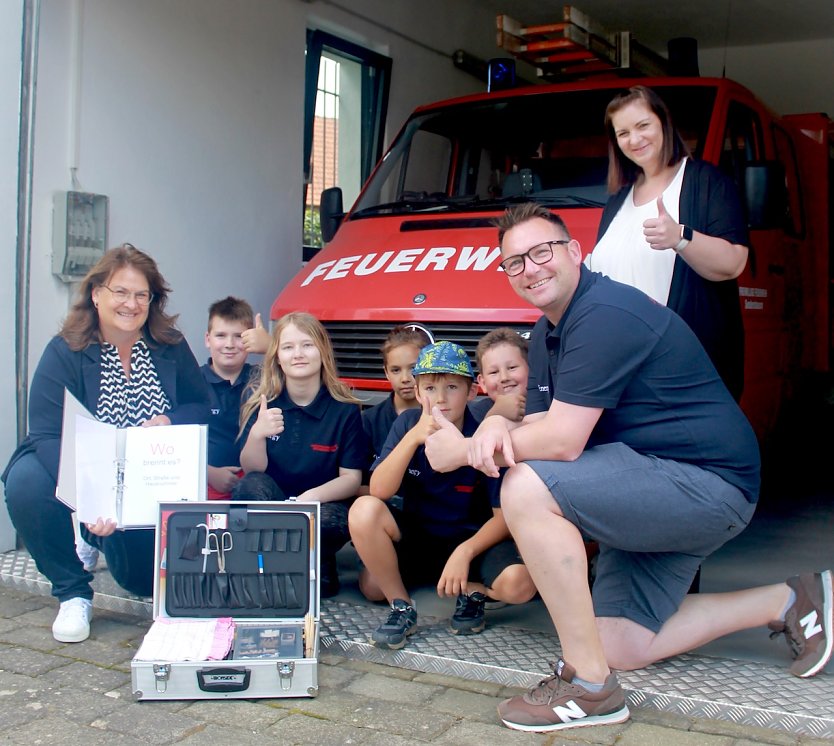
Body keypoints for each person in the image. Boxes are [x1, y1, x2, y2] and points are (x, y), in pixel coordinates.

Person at [424, 203, 832, 733]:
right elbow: (543, 426)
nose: (530, 268)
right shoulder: (547, 334)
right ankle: (791, 598)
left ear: (574, 252)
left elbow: (564, 443)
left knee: (525, 485)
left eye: (540, 252)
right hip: (649, 484)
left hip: (704, 483)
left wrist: (462, 450)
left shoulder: (603, 312)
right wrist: (497, 428)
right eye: (514, 262)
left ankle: (590, 688)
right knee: (619, 643)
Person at [2, 244, 209, 643]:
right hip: (86, 469)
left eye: (141, 295)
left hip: (146, 482)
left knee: (139, 580)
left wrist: (169, 419)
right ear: (97, 294)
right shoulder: (66, 350)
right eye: (121, 292)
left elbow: (201, 406)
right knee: (25, 482)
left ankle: (97, 537)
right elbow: (44, 433)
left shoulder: (169, 345)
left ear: (152, 300)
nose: (131, 304)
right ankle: (73, 591)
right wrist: (86, 498)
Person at [348, 341, 536, 650]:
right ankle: (403, 607)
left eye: (452, 387)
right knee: (371, 578)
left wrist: (465, 552)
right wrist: (413, 438)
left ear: (472, 392)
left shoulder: (483, 432)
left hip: (472, 539)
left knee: (519, 585)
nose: (441, 399)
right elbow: (380, 490)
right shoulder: (407, 423)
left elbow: (503, 518)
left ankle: (472, 591)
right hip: (420, 535)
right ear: (419, 393)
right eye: (431, 388)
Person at [586, 85, 748, 400]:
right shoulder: (617, 200)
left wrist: (681, 238)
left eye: (643, 125)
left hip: (679, 368)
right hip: (620, 368)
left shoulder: (706, 182)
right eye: (623, 133)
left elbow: (733, 263)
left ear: (664, 122)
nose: (634, 139)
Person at [235, 311, 368, 597]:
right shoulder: (263, 403)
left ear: (322, 352)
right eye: (288, 347)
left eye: (307, 345)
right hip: (273, 507)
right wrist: (258, 433)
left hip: (317, 508)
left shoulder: (344, 410)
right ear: (277, 357)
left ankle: (315, 562)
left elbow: (351, 479)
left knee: (337, 519)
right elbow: (251, 469)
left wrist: (309, 500)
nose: (298, 354)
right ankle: (273, 565)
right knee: (249, 487)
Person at [360, 325, 431, 493]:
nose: (405, 378)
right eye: (396, 370)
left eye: (413, 368)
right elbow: (360, 483)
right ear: (386, 372)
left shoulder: (442, 415)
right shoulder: (369, 420)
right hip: (384, 507)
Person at [201, 296, 257, 499]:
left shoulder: (264, 380)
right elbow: (176, 444)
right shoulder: (191, 383)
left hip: (255, 486)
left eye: (239, 336)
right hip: (203, 487)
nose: (230, 344)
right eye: (221, 335)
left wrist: (269, 346)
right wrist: (208, 473)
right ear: (208, 339)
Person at [468, 327, 529, 424]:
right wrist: (494, 415)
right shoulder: (474, 414)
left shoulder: (550, 406)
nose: (504, 377)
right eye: (494, 372)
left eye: (512, 367)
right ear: (483, 383)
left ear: (531, 370)